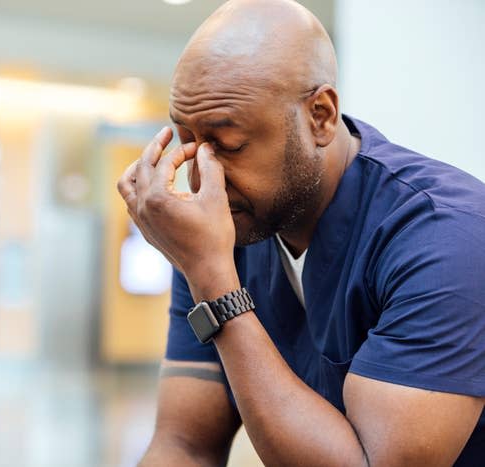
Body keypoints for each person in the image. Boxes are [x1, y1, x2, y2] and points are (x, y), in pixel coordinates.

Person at [116, 0, 485, 465]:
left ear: (321, 116)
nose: (201, 176)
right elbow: (185, 445)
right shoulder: (221, 229)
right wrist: (205, 267)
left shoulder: (447, 238)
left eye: (229, 145)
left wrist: (215, 282)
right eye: (188, 142)